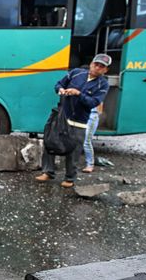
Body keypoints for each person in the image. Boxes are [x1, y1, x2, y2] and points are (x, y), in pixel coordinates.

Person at [36, 54, 111, 188]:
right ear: (91, 63)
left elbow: (93, 102)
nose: (97, 67)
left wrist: (78, 94)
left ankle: (70, 178)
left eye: (101, 66)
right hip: (62, 116)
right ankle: (48, 172)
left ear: (105, 70)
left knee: (74, 149)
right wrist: (60, 90)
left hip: (79, 121)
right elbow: (59, 84)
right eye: (96, 64)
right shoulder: (76, 73)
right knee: (50, 141)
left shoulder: (103, 84)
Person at [82, 103, 103, 173]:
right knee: (85, 141)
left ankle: (90, 165)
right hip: (88, 114)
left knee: (86, 141)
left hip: (92, 115)